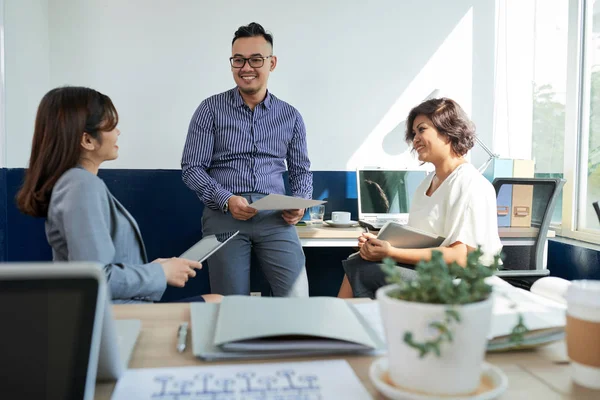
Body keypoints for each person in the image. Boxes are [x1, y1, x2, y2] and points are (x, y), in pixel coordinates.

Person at [16, 86, 222, 304]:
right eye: (111, 126)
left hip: (121, 311)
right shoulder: (81, 186)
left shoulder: (77, 184)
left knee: (217, 301)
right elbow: (96, 278)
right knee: (218, 303)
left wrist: (154, 268)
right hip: (117, 319)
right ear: (87, 140)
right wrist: (160, 274)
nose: (118, 132)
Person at [181, 22, 312, 297]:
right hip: (224, 214)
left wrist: (299, 203)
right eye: (238, 60)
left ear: (272, 63)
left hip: (275, 218)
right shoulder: (210, 109)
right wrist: (226, 199)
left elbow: (301, 171)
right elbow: (192, 168)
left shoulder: (291, 116)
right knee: (230, 302)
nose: (246, 67)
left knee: (298, 298)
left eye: (255, 59)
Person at [338, 98, 502, 298]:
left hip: (461, 280)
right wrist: (381, 244)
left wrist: (391, 252)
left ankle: (343, 325)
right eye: (414, 133)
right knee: (359, 259)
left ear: (448, 131)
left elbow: (460, 257)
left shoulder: (470, 184)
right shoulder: (426, 184)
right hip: (433, 271)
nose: (415, 139)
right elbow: (420, 243)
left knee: (363, 268)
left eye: (422, 130)